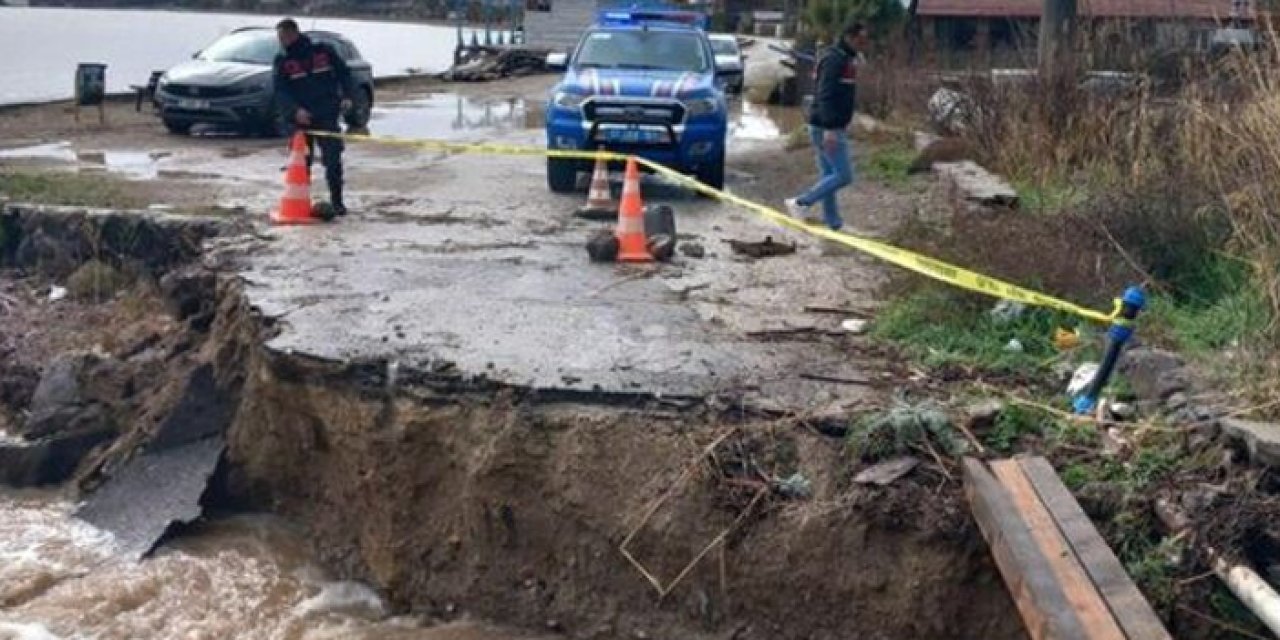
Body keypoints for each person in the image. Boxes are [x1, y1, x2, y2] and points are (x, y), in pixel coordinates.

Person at [785, 21, 870, 231]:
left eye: (865, 40)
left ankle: (833, 223)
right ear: (849, 37)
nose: (863, 44)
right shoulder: (834, 59)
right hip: (827, 127)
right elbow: (825, 95)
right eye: (860, 40)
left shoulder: (845, 58)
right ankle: (801, 203)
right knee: (843, 175)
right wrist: (831, 129)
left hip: (824, 124)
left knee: (828, 175)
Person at [274, 18, 356, 216]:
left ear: (294, 33)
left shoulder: (323, 51)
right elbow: (281, 91)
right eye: (279, 37)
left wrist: (347, 95)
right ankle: (301, 201)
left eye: (283, 36)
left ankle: (337, 202)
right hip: (300, 120)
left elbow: (344, 74)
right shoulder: (282, 61)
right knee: (301, 163)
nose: (281, 41)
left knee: (333, 160)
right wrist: (295, 111)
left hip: (327, 114)